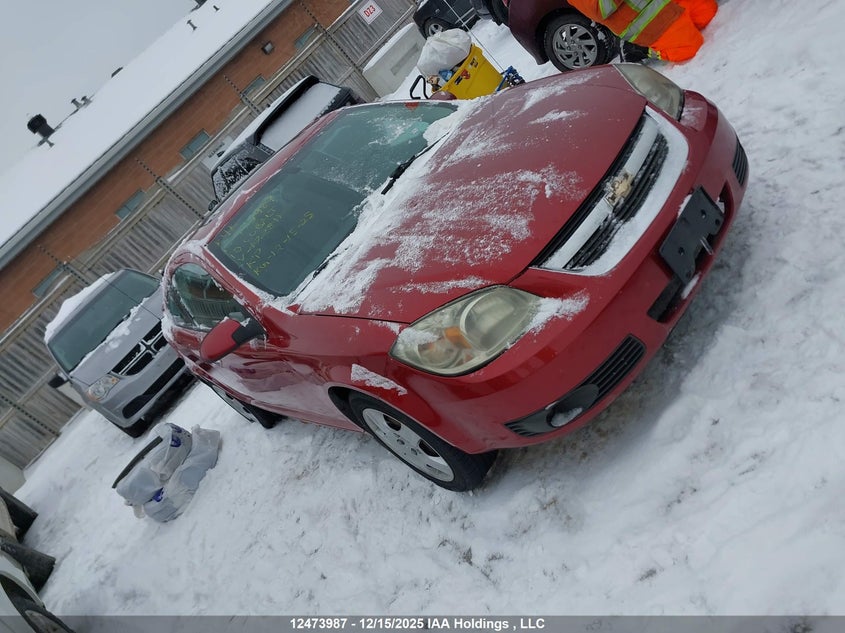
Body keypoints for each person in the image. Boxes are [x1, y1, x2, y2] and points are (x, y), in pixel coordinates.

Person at [568, 0, 718, 62]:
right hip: (651, 24)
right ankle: (640, 50)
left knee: (707, 11)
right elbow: (601, 10)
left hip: (666, 5)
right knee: (692, 46)